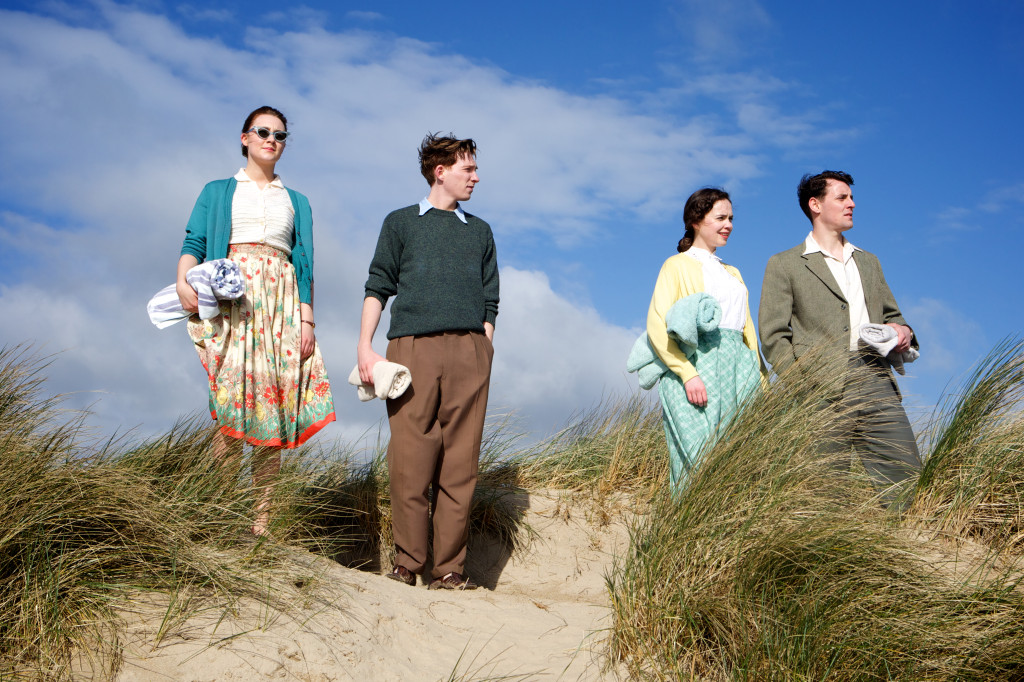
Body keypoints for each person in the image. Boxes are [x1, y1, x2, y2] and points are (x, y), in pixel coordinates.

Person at [177, 106, 336, 536]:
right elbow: (194, 239)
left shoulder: (296, 201)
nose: (272, 139)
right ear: (245, 137)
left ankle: (261, 522)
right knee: (230, 403)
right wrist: (182, 280)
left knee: (275, 409)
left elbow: (304, 263)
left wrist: (307, 322)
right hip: (234, 299)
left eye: (281, 135)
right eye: (263, 132)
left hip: (282, 302)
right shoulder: (218, 190)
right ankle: (222, 512)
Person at [358, 133, 498, 590]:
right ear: (440, 171)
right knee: (410, 460)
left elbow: (490, 299)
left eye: (475, 169)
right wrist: (366, 346)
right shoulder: (400, 223)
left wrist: (484, 346)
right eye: (467, 169)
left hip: (469, 351)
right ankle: (407, 563)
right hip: (411, 348)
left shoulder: (479, 231)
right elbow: (378, 285)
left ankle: (450, 570)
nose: (476, 177)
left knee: (461, 464)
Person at [759, 170, 921, 504]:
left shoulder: (869, 262)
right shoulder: (784, 264)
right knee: (826, 490)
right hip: (820, 384)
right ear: (815, 205)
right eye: (842, 197)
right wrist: (802, 386)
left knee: (906, 480)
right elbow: (774, 336)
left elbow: (893, 315)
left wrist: (902, 331)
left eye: (851, 197)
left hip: (876, 379)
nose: (852, 204)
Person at [647, 188, 764, 489]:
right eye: (721, 218)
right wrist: (688, 374)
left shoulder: (733, 272)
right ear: (696, 221)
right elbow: (657, 325)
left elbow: (747, 330)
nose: (729, 225)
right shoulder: (676, 265)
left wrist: (761, 378)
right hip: (698, 367)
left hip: (740, 368)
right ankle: (686, 531)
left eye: (731, 218)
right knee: (699, 460)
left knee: (742, 461)